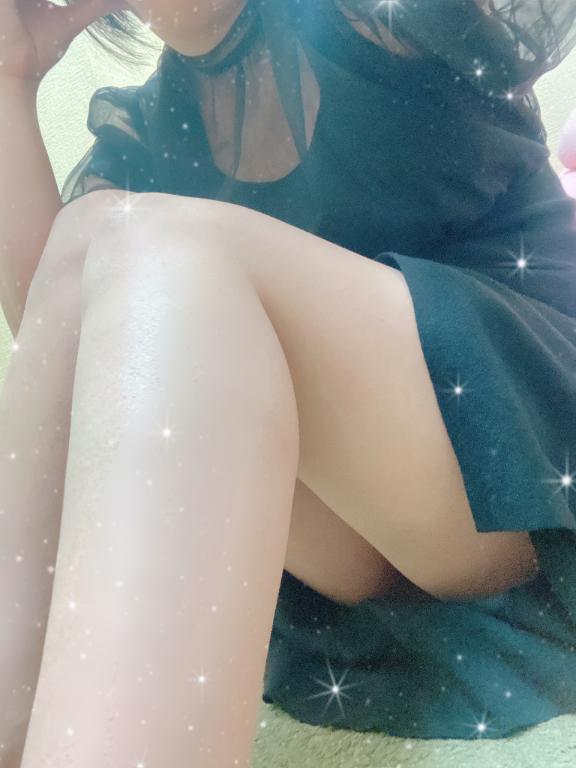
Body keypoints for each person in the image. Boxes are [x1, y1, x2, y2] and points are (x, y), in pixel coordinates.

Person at [1, 1, 576, 766]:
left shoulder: (369, 21)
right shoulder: (140, 137)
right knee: (94, 239)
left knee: (153, 246)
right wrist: (9, 78)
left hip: (521, 463)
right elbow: (57, 357)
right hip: (347, 562)